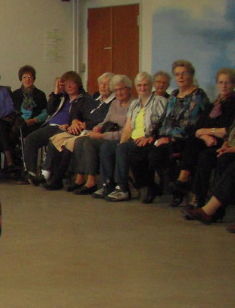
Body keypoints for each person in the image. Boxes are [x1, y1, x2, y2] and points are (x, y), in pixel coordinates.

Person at [143, 59, 208, 204]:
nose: (181, 77)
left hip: (186, 139)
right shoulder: (173, 95)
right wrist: (151, 135)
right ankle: (156, 187)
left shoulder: (198, 95)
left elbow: (191, 123)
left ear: (191, 75)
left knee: (160, 154)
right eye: (177, 74)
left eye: (184, 73)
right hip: (165, 136)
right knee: (138, 153)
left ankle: (178, 190)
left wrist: (170, 138)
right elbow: (163, 118)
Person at [169, 66, 234, 207]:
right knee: (192, 140)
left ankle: (198, 197)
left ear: (233, 84)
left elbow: (227, 131)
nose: (223, 86)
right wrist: (205, 136)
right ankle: (183, 178)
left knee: (205, 157)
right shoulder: (214, 104)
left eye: (227, 82)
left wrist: (208, 131)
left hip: (224, 144)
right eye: (221, 82)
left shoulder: (233, 105)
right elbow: (197, 129)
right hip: (209, 141)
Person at [99, 72, 167, 201]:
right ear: (136, 87)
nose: (142, 88)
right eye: (139, 85)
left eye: (145, 85)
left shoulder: (159, 101)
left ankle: (122, 188)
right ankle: (107, 184)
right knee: (107, 147)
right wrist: (121, 142)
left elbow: (163, 123)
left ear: (151, 85)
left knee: (122, 149)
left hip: (148, 139)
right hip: (133, 139)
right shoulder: (135, 104)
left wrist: (149, 136)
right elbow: (128, 128)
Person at [20, 70, 87, 185]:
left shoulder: (83, 99)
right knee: (31, 138)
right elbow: (49, 110)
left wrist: (70, 125)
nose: (69, 86)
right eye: (66, 84)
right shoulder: (61, 97)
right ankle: (31, 173)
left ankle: (45, 175)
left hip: (65, 129)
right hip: (50, 126)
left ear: (78, 84)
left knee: (54, 140)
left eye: (72, 83)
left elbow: (81, 116)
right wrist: (56, 92)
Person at [68, 75, 132, 193]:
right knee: (79, 140)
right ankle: (80, 178)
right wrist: (97, 128)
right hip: (107, 133)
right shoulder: (115, 103)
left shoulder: (133, 105)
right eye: (116, 90)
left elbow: (126, 131)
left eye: (122, 89)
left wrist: (102, 136)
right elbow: (105, 120)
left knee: (89, 143)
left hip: (118, 137)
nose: (119, 92)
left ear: (129, 88)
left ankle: (91, 181)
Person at [9, 65, 48, 145]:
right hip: (19, 122)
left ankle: (22, 149)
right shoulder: (15, 94)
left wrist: (34, 120)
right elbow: (12, 111)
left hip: (34, 123)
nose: (27, 80)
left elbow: (45, 113)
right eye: (24, 77)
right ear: (21, 79)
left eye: (30, 77)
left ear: (33, 79)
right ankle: (18, 150)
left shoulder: (40, 94)